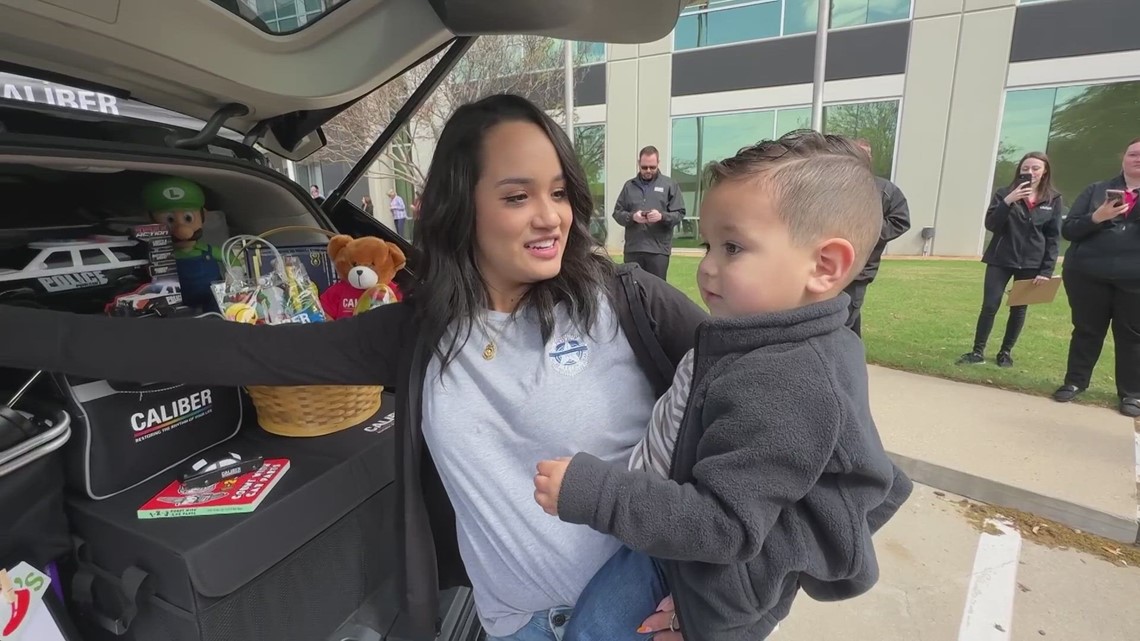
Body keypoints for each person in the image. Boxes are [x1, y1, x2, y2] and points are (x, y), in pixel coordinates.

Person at [0, 94, 705, 641]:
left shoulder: (627, 302)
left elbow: (779, 418)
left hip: (643, 611)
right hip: (516, 625)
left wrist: (719, 602)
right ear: (462, 211)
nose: (550, 215)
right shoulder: (419, 333)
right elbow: (229, 350)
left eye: (558, 190)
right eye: (518, 195)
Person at [533, 131, 914, 641]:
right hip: (678, 545)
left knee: (590, 632)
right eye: (709, 243)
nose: (707, 265)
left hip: (690, 569)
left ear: (824, 267)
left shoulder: (786, 380)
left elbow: (724, 525)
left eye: (733, 247)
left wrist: (595, 493)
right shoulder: (774, 340)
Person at [1053, 138, 1140, 418]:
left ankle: (1132, 394)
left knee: (1132, 336)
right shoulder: (1096, 190)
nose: (1137, 158)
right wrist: (1097, 217)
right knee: (1086, 330)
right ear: (1123, 158)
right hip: (1088, 275)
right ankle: (1075, 381)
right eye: (1133, 154)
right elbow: (1069, 230)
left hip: (1134, 280)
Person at [957, 152, 1063, 368]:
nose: (1030, 172)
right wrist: (1007, 202)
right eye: (1025, 168)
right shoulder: (1004, 193)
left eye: (1035, 168)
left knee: (1019, 308)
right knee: (990, 305)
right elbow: (992, 225)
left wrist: (1046, 270)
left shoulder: (1053, 199)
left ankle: (1005, 353)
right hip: (1000, 259)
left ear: (1044, 172)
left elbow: (1053, 237)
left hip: (1031, 263)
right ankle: (977, 352)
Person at [843, 138, 911, 336]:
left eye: (865, 154)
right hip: (830, 266)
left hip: (860, 269)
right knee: (844, 320)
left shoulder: (885, 190)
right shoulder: (835, 188)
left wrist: (867, 229)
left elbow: (901, 222)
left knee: (845, 320)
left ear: (870, 158)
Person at [612, 146, 686, 281]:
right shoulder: (629, 186)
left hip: (658, 250)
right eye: (644, 167)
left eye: (652, 167)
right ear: (638, 163)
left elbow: (679, 213)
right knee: (632, 289)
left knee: (656, 291)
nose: (648, 171)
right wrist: (632, 217)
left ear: (658, 163)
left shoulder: (669, 185)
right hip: (633, 249)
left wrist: (661, 216)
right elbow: (617, 213)